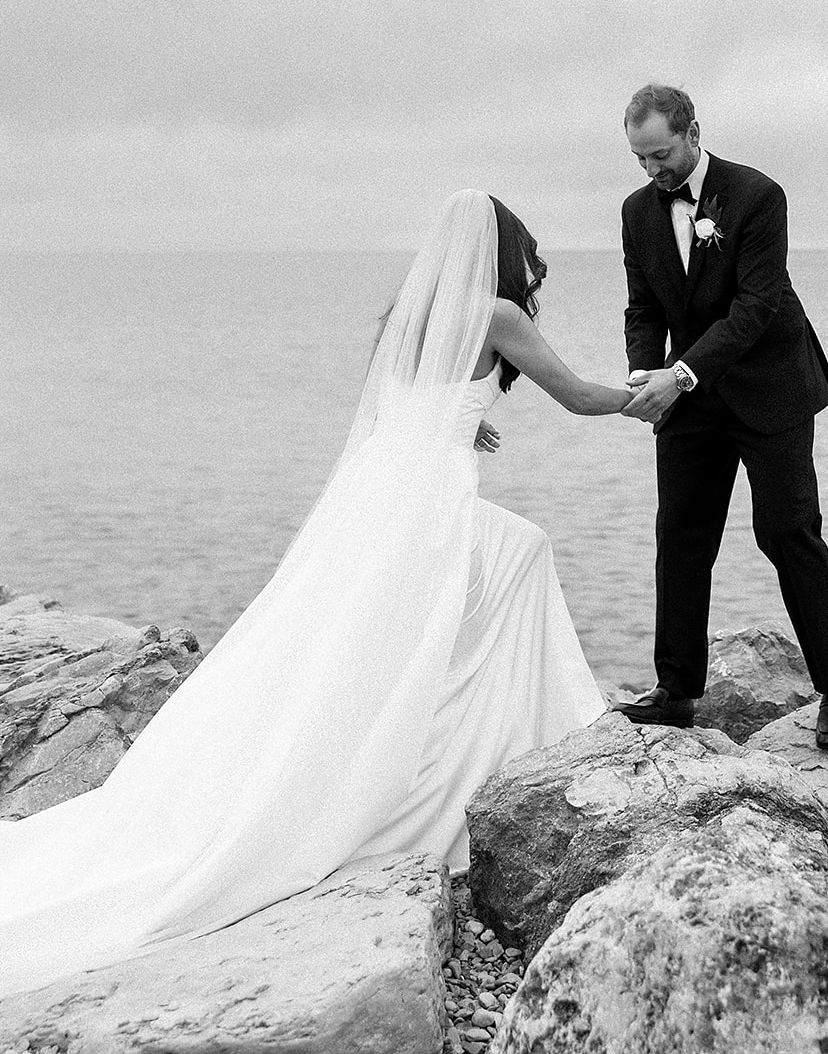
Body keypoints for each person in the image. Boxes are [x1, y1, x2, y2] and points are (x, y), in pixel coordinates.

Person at [0, 190, 629, 997]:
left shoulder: (411, 313)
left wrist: (460, 416)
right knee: (515, 557)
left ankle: (482, 718)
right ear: (507, 254)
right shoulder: (497, 314)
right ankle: (511, 726)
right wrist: (656, 392)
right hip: (430, 496)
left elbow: (398, 403)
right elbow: (576, 395)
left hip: (381, 486)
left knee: (454, 585)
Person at [614, 83, 828, 749]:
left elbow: (755, 307)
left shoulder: (757, 195)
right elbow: (643, 307)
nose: (651, 170)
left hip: (769, 385)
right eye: (640, 158)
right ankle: (676, 691)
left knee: (786, 531)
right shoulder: (636, 212)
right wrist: (644, 375)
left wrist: (678, 375)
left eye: (661, 155)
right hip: (688, 395)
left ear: (692, 134)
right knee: (680, 533)